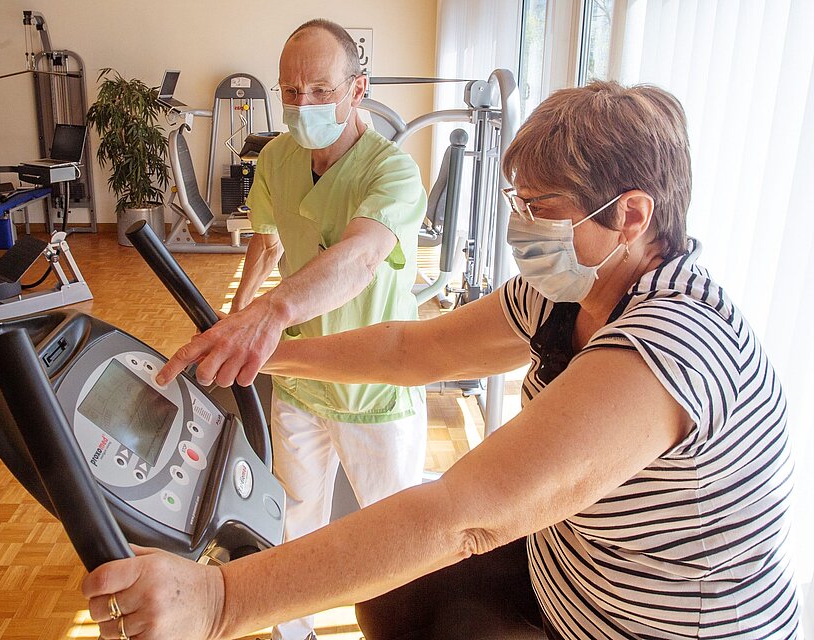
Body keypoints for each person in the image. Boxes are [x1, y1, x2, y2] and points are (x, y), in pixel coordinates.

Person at [85, 81, 800, 640]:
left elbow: (465, 519)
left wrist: (219, 602)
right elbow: (412, 348)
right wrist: (268, 356)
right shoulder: (563, 294)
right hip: (573, 578)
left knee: (428, 563)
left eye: (543, 206)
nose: (523, 225)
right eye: (519, 202)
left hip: (648, 625)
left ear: (632, 217)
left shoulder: (669, 346)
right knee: (391, 600)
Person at [155, 18, 429, 640]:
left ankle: (405, 628)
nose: (302, 106)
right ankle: (293, 631)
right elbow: (266, 241)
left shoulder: (391, 172)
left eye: (320, 91)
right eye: (290, 91)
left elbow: (361, 257)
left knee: (394, 534)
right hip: (303, 377)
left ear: (358, 88)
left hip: (373, 380)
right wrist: (237, 310)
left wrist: (270, 314)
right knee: (292, 515)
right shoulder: (277, 157)